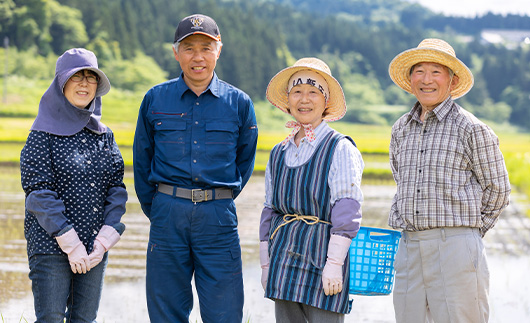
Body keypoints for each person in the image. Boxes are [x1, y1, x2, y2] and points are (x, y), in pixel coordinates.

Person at [133, 13, 258, 322]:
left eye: (206, 47)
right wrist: (164, 205)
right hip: (166, 215)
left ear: (219, 50)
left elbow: (244, 162)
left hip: (218, 218)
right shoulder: (154, 99)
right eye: (189, 48)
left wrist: (216, 200)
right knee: (166, 312)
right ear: (176, 53)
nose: (198, 57)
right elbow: (141, 160)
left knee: (225, 312)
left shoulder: (239, 103)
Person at [387, 38, 511, 323]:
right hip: (409, 247)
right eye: (419, 71)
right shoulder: (400, 129)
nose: (426, 80)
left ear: (452, 81)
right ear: (409, 79)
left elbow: (499, 190)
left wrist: (467, 234)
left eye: (436, 72)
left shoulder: (472, 128)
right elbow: (401, 179)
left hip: (455, 246)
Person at [20, 48, 127, 322]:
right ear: (60, 83)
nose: (84, 83)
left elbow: (116, 188)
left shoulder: (104, 137)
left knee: (84, 319)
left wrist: (105, 238)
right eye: (76, 76)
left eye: (91, 77)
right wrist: (69, 241)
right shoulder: (41, 134)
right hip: (50, 244)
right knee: (51, 318)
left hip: (93, 247)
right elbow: (38, 192)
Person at [259, 57, 364, 323]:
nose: (304, 99)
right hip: (283, 260)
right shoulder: (278, 152)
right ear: (288, 99)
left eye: (313, 92)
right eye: (297, 92)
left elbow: (347, 209)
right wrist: (265, 264)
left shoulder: (339, 148)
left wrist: (335, 264)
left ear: (325, 101)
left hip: (323, 260)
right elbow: (269, 211)